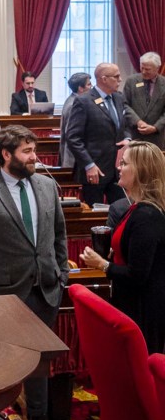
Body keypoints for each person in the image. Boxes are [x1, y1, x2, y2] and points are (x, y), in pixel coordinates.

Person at [0, 125, 68, 420]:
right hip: (5, 294)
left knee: (40, 359)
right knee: (1, 363)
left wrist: (61, 274)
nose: (35, 157)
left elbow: (59, 234)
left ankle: (39, 416)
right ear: (6, 155)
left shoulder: (47, 186)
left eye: (34, 150)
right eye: (27, 151)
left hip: (46, 288)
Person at [80, 141, 165, 354]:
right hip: (130, 303)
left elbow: (137, 275)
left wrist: (102, 264)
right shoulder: (135, 207)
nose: (119, 167)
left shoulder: (147, 215)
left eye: (125, 164)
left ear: (141, 171)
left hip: (143, 310)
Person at [65, 62, 130, 207]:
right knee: (95, 214)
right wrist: (89, 165)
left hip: (117, 170)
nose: (120, 80)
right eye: (116, 77)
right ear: (104, 79)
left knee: (123, 210)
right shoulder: (84, 101)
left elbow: (125, 125)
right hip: (95, 170)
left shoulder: (119, 98)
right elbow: (73, 138)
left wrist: (127, 139)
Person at [123, 51, 165, 148]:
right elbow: (124, 104)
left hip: (156, 137)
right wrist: (138, 121)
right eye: (142, 68)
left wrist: (155, 127)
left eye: (147, 69)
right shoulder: (131, 81)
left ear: (157, 68)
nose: (143, 71)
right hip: (134, 134)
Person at [59, 72, 92, 167]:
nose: (92, 87)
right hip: (74, 159)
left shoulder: (74, 99)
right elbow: (72, 136)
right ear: (80, 88)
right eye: (89, 84)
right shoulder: (73, 105)